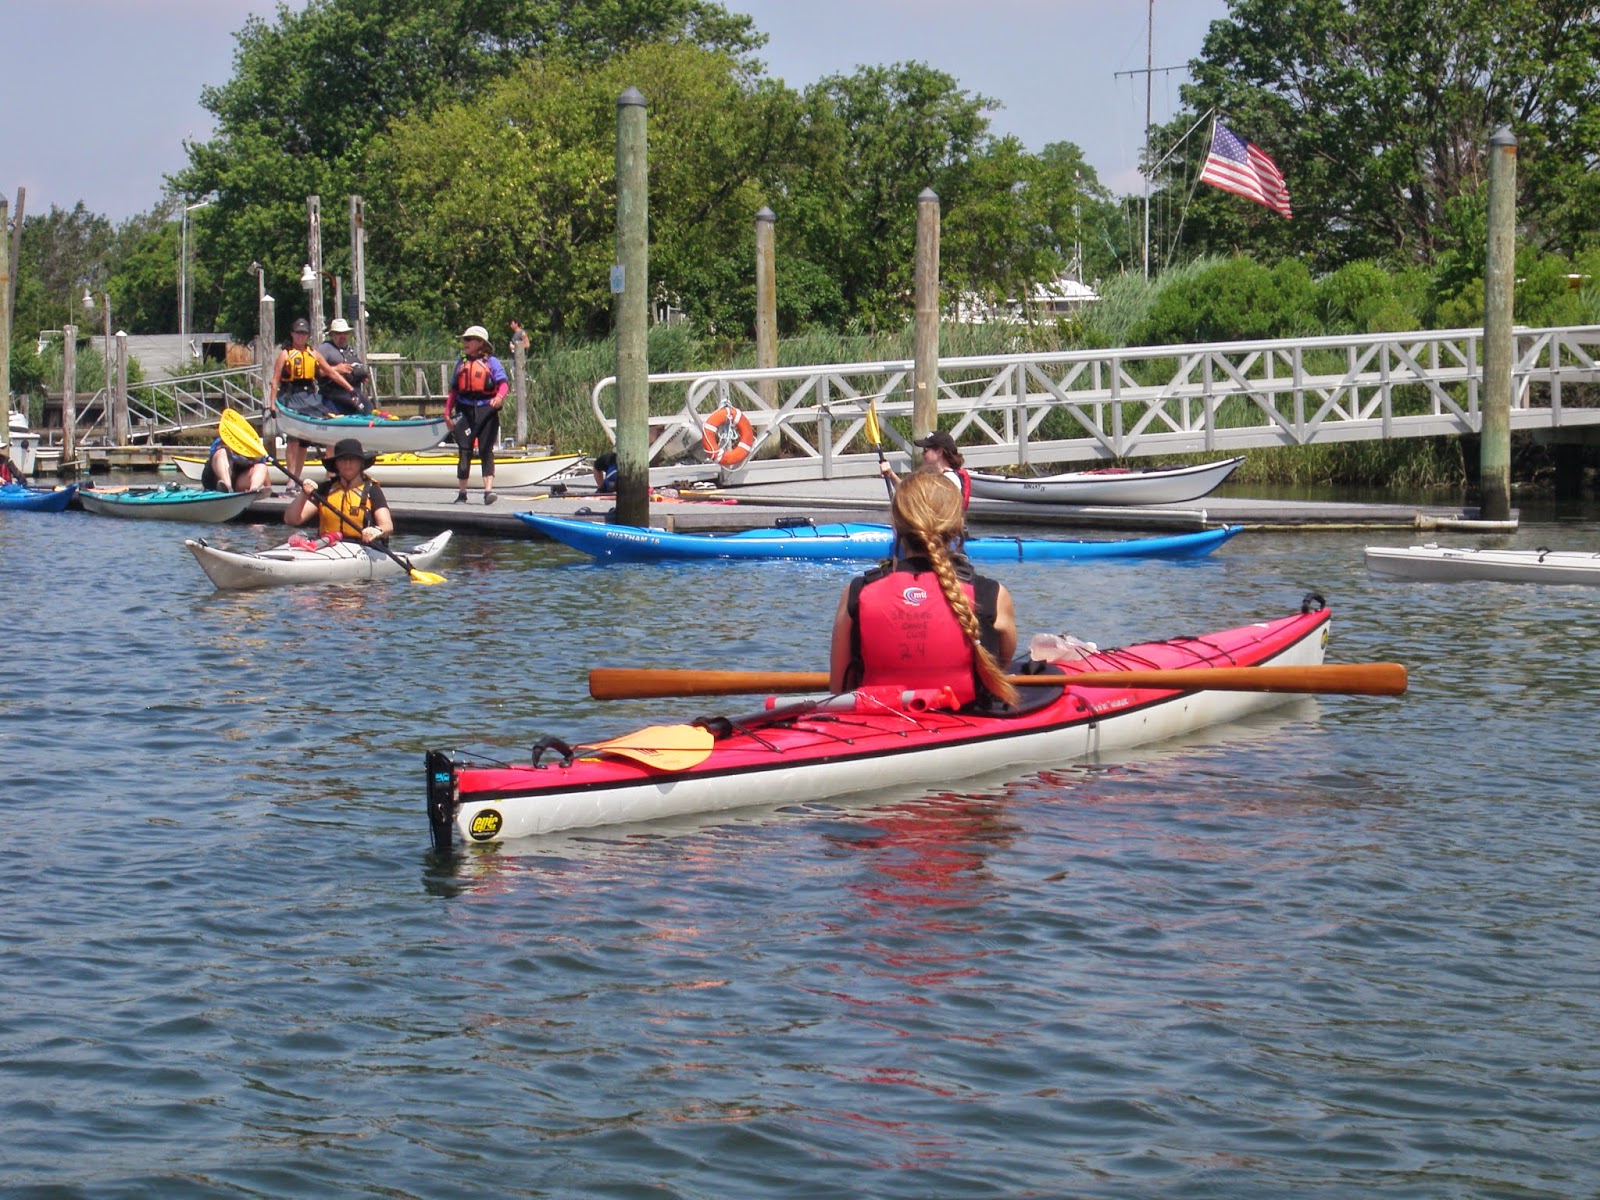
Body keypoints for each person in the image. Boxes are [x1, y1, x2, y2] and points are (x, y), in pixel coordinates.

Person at [829, 470, 1017, 709]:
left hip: (878, 728)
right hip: (969, 725)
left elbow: (838, 689)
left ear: (896, 527)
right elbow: (1000, 668)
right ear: (958, 525)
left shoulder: (856, 593)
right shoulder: (993, 595)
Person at [272, 316, 357, 487]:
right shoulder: (285, 354)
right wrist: (272, 404)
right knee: (293, 438)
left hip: (309, 396)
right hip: (290, 395)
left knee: (305, 440)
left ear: (308, 336)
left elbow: (331, 373)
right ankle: (291, 479)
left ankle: (299, 476)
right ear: (292, 334)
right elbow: (275, 380)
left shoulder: (313, 354)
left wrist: (350, 389)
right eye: (297, 333)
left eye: (304, 334)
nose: (300, 337)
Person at [283, 437, 394, 544]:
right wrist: (304, 494)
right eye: (342, 460)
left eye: (352, 459)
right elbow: (292, 520)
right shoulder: (326, 489)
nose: (347, 464)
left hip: (362, 547)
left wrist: (377, 530)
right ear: (336, 464)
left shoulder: (372, 490)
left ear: (361, 463)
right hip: (329, 546)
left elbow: (387, 526)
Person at [444, 324, 509, 505]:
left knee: (485, 449)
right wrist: (447, 412)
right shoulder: (461, 363)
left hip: (486, 409)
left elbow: (504, 384)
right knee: (464, 450)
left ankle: (488, 491)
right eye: (464, 339)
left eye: (469, 339)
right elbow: (454, 391)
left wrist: (499, 397)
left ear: (480, 343)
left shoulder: (492, 362)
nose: (465, 342)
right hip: (465, 409)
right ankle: (462, 493)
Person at [879, 429, 972, 508]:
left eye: (925, 450)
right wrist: (890, 474)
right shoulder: (935, 477)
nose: (922, 454)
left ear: (939, 452)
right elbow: (907, 492)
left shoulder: (949, 480)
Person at [317, 317, 373, 416]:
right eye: (338, 333)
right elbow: (317, 372)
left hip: (352, 391)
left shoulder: (349, 350)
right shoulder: (325, 349)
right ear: (332, 334)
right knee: (353, 406)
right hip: (332, 393)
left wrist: (360, 376)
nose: (342, 336)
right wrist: (336, 369)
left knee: (369, 407)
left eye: (345, 333)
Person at [200, 435, 269, 493]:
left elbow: (264, 468)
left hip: (238, 481)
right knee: (221, 452)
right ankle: (227, 486)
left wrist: (268, 487)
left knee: (261, 466)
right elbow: (213, 459)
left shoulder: (254, 448)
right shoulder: (221, 441)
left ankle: (253, 490)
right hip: (217, 480)